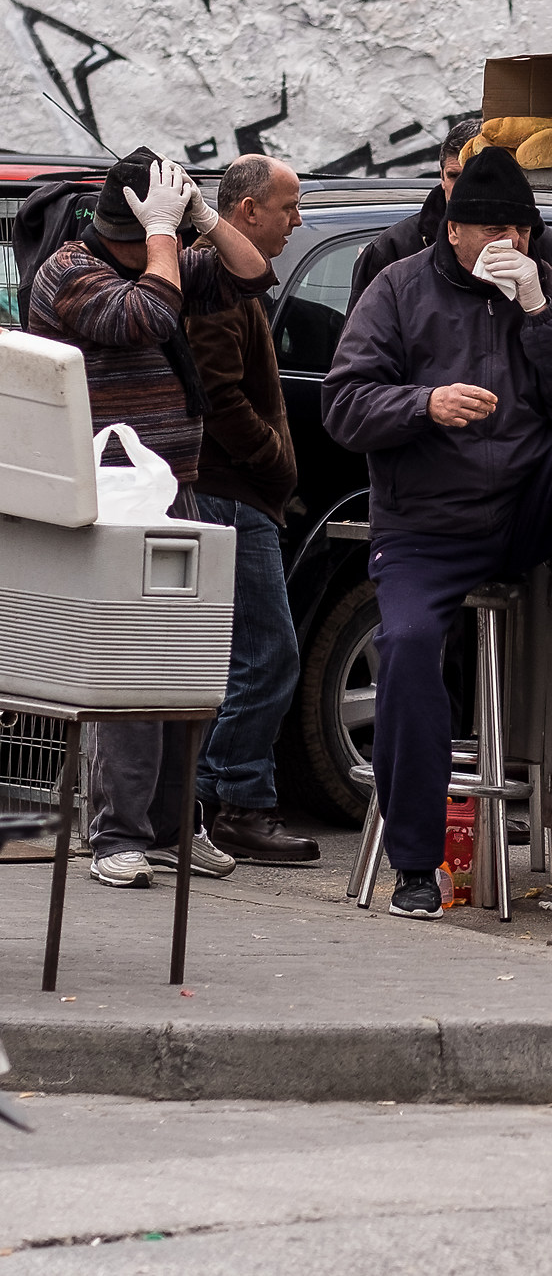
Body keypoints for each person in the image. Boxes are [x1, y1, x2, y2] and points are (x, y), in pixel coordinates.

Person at [323, 149, 552, 921]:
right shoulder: (398, 288)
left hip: (521, 509)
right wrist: (425, 404)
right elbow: (344, 405)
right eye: (491, 228)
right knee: (407, 648)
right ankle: (415, 866)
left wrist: (541, 313)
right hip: (424, 527)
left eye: (520, 226)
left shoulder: (550, 288)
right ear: (454, 230)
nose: (508, 240)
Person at [26, 148, 274, 889]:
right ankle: (116, 835)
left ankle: (172, 825)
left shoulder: (158, 254)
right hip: (112, 501)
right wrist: (166, 236)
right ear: (127, 230)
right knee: (128, 674)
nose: (159, 250)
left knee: (184, 665)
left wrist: (201, 218)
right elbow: (148, 314)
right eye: (150, 236)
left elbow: (252, 272)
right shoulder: (71, 273)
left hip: (176, 491)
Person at [181, 155, 322, 865]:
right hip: (232, 496)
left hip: (241, 494)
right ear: (246, 212)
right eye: (289, 206)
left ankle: (212, 799)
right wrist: (274, 461)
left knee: (251, 657)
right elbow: (218, 392)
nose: (297, 221)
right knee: (268, 656)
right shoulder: (215, 277)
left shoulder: (230, 275)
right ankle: (237, 799)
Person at [347, 118, 552, 312]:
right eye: (455, 176)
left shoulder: (547, 247)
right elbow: (359, 347)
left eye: (474, 178)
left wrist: (540, 310)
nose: (465, 188)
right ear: (442, 177)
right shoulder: (393, 248)